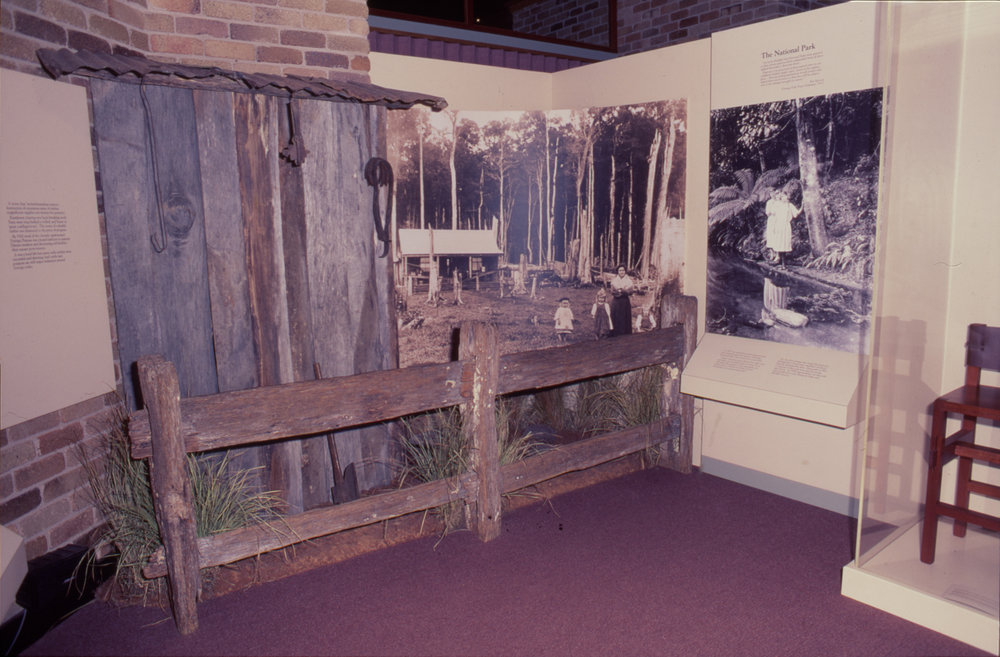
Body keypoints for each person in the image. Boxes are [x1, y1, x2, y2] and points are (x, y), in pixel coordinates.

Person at [764, 189, 802, 268]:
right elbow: (771, 213)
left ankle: (783, 263)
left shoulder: (789, 205)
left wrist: (802, 206)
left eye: (785, 196)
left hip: (786, 226)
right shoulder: (777, 205)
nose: (785, 198)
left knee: (785, 243)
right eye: (783, 196)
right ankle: (781, 262)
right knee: (779, 243)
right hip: (778, 225)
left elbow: (796, 214)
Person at [609, 265, 635, 337]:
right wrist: (620, 292)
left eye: (623, 270)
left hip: (625, 302)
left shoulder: (629, 281)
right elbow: (612, 291)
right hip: (616, 302)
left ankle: (624, 334)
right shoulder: (614, 281)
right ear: (617, 271)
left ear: (625, 271)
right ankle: (615, 333)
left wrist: (623, 291)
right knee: (615, 317)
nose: (621, 272)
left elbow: (630, 291)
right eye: (620, 270)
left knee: (624, 318)